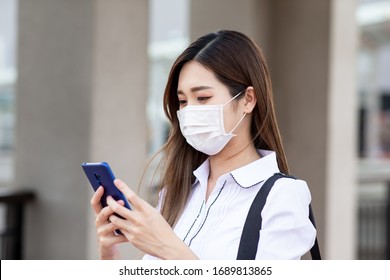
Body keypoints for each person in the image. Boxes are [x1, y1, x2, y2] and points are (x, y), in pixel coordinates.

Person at [90, 30, 317, 260]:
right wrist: (109, 256)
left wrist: (166, 246)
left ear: (248, 99)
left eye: (203, 98)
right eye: (182, 101)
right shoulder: (176, 194)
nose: (189, 112)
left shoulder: (282, 196)